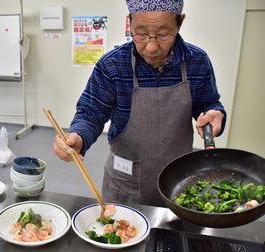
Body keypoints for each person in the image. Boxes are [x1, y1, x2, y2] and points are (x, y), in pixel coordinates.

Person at [53, 0, 226, 206]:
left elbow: (208, 104)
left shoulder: (197, 61)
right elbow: (91, 113)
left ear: (180, 23)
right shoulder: (113, 65)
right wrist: (77, 137)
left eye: (163, 35)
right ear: (130, 23)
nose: (151, 47)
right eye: (141, 34)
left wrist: (214, 114)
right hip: (125, 184)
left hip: (179, 183)